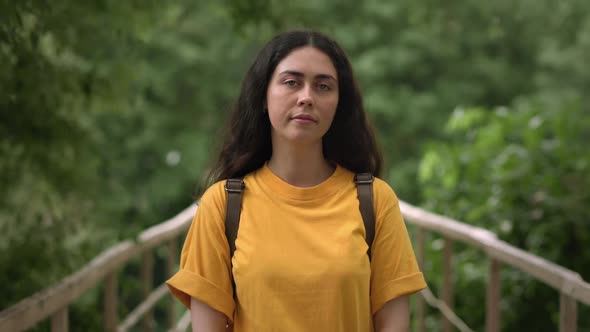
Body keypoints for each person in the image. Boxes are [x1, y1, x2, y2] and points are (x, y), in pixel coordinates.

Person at [166, 30, 426, 332]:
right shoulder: (222, 205)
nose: (306, 97)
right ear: (263, 96)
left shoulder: (374, 201)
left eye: (323, 86)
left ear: (339, 103)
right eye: (291, 82)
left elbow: (393, 324)